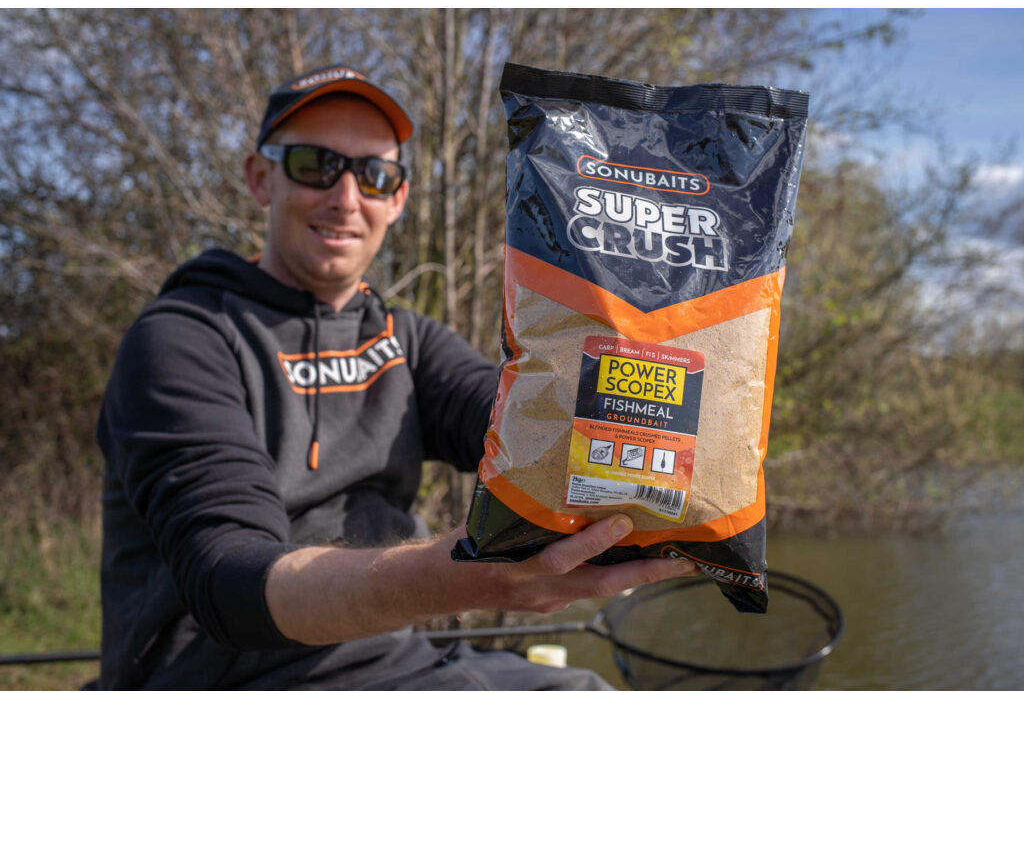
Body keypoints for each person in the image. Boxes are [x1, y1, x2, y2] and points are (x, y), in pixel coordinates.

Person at [95, 63, 698, 690]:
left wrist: (665, 433)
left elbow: (531, 427)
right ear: (260, 177)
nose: (345, 198)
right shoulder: (182, 337)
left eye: (374, 175)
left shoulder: (406, 340)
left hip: (398, 661)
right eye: (314, 165)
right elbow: (230, 581)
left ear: (398, 199)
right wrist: (469, 575)